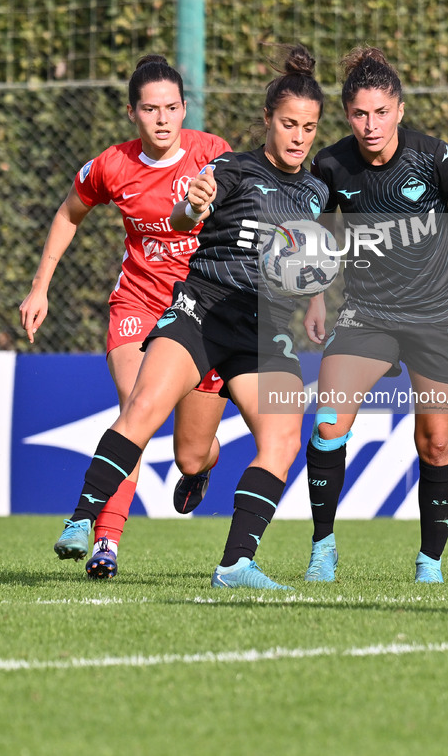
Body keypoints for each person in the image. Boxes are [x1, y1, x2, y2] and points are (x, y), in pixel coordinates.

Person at [52, 43, 330, 590]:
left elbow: (308, 262)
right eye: (289, 124)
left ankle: (235, 565)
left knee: (281, 440)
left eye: (310, 128)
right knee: (144, 407)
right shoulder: (230, 167)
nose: (298, 137)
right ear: (268, 122)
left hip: (261, 331)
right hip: (200, 313)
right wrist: (193, 204)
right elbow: (183, 218)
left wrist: (317, 286)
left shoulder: (318, 191)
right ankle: (84, 516)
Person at [20, 55, 231, 578]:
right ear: (132, 113)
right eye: (150, 109)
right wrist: (39, 287)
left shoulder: (213, 154)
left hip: (201, 311)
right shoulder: (112, 165)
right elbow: (69, 213)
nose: (162, 118)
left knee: (190, 454)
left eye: (172, 107)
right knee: (135, 411)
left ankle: (203, 468)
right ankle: (105, 541)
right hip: (137, 304)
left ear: (185, 109)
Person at [303, 46, 448, 584]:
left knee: (435, 441)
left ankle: (430, 563)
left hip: (437, 315)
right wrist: (317, 297)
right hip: (366, 313)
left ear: (399, 109)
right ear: (348, 114)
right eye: (359, 114)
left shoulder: (434, 158)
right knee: (328, 423)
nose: (371, 125)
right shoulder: (331, 164)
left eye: (381, 112)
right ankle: (323, 548)